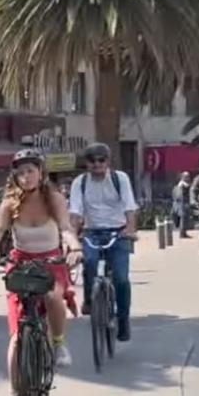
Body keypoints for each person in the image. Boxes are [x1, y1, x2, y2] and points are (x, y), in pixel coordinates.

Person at [0, 150, 82, 396]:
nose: (25, 177)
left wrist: (74, 248)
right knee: (16, 339)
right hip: (21, 265)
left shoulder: (54, 198)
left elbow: (66, 228)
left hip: (51, 262)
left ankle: (58, 343)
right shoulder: (9, 204)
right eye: (20, 172)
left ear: (41, 172)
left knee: (53, 296)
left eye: (30, 171)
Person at [68, 142, 138, 341]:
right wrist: (73, 240)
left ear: (108, 161)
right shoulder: (79, 183)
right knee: (88, 262)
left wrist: (130, 229)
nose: (97, 164)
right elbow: (75, 214)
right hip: (91, 232)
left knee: (121, 279)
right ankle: (90, 299)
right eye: (92, 161)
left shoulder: (120, 179)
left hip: (118, 232)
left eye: (101, 160)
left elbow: (129, 207)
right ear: (86, 164)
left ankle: (123, 319)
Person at [172, 171, 192, 238]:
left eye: (188, 176)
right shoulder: (182, 185)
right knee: (183, 219)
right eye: (186, 176)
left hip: (182, 203)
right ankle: (182, 233)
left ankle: (184, 233)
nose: (188, 178)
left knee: (184, 219)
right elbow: (179, 195)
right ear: (182, 177)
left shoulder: (183, 184)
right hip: (182, 204)